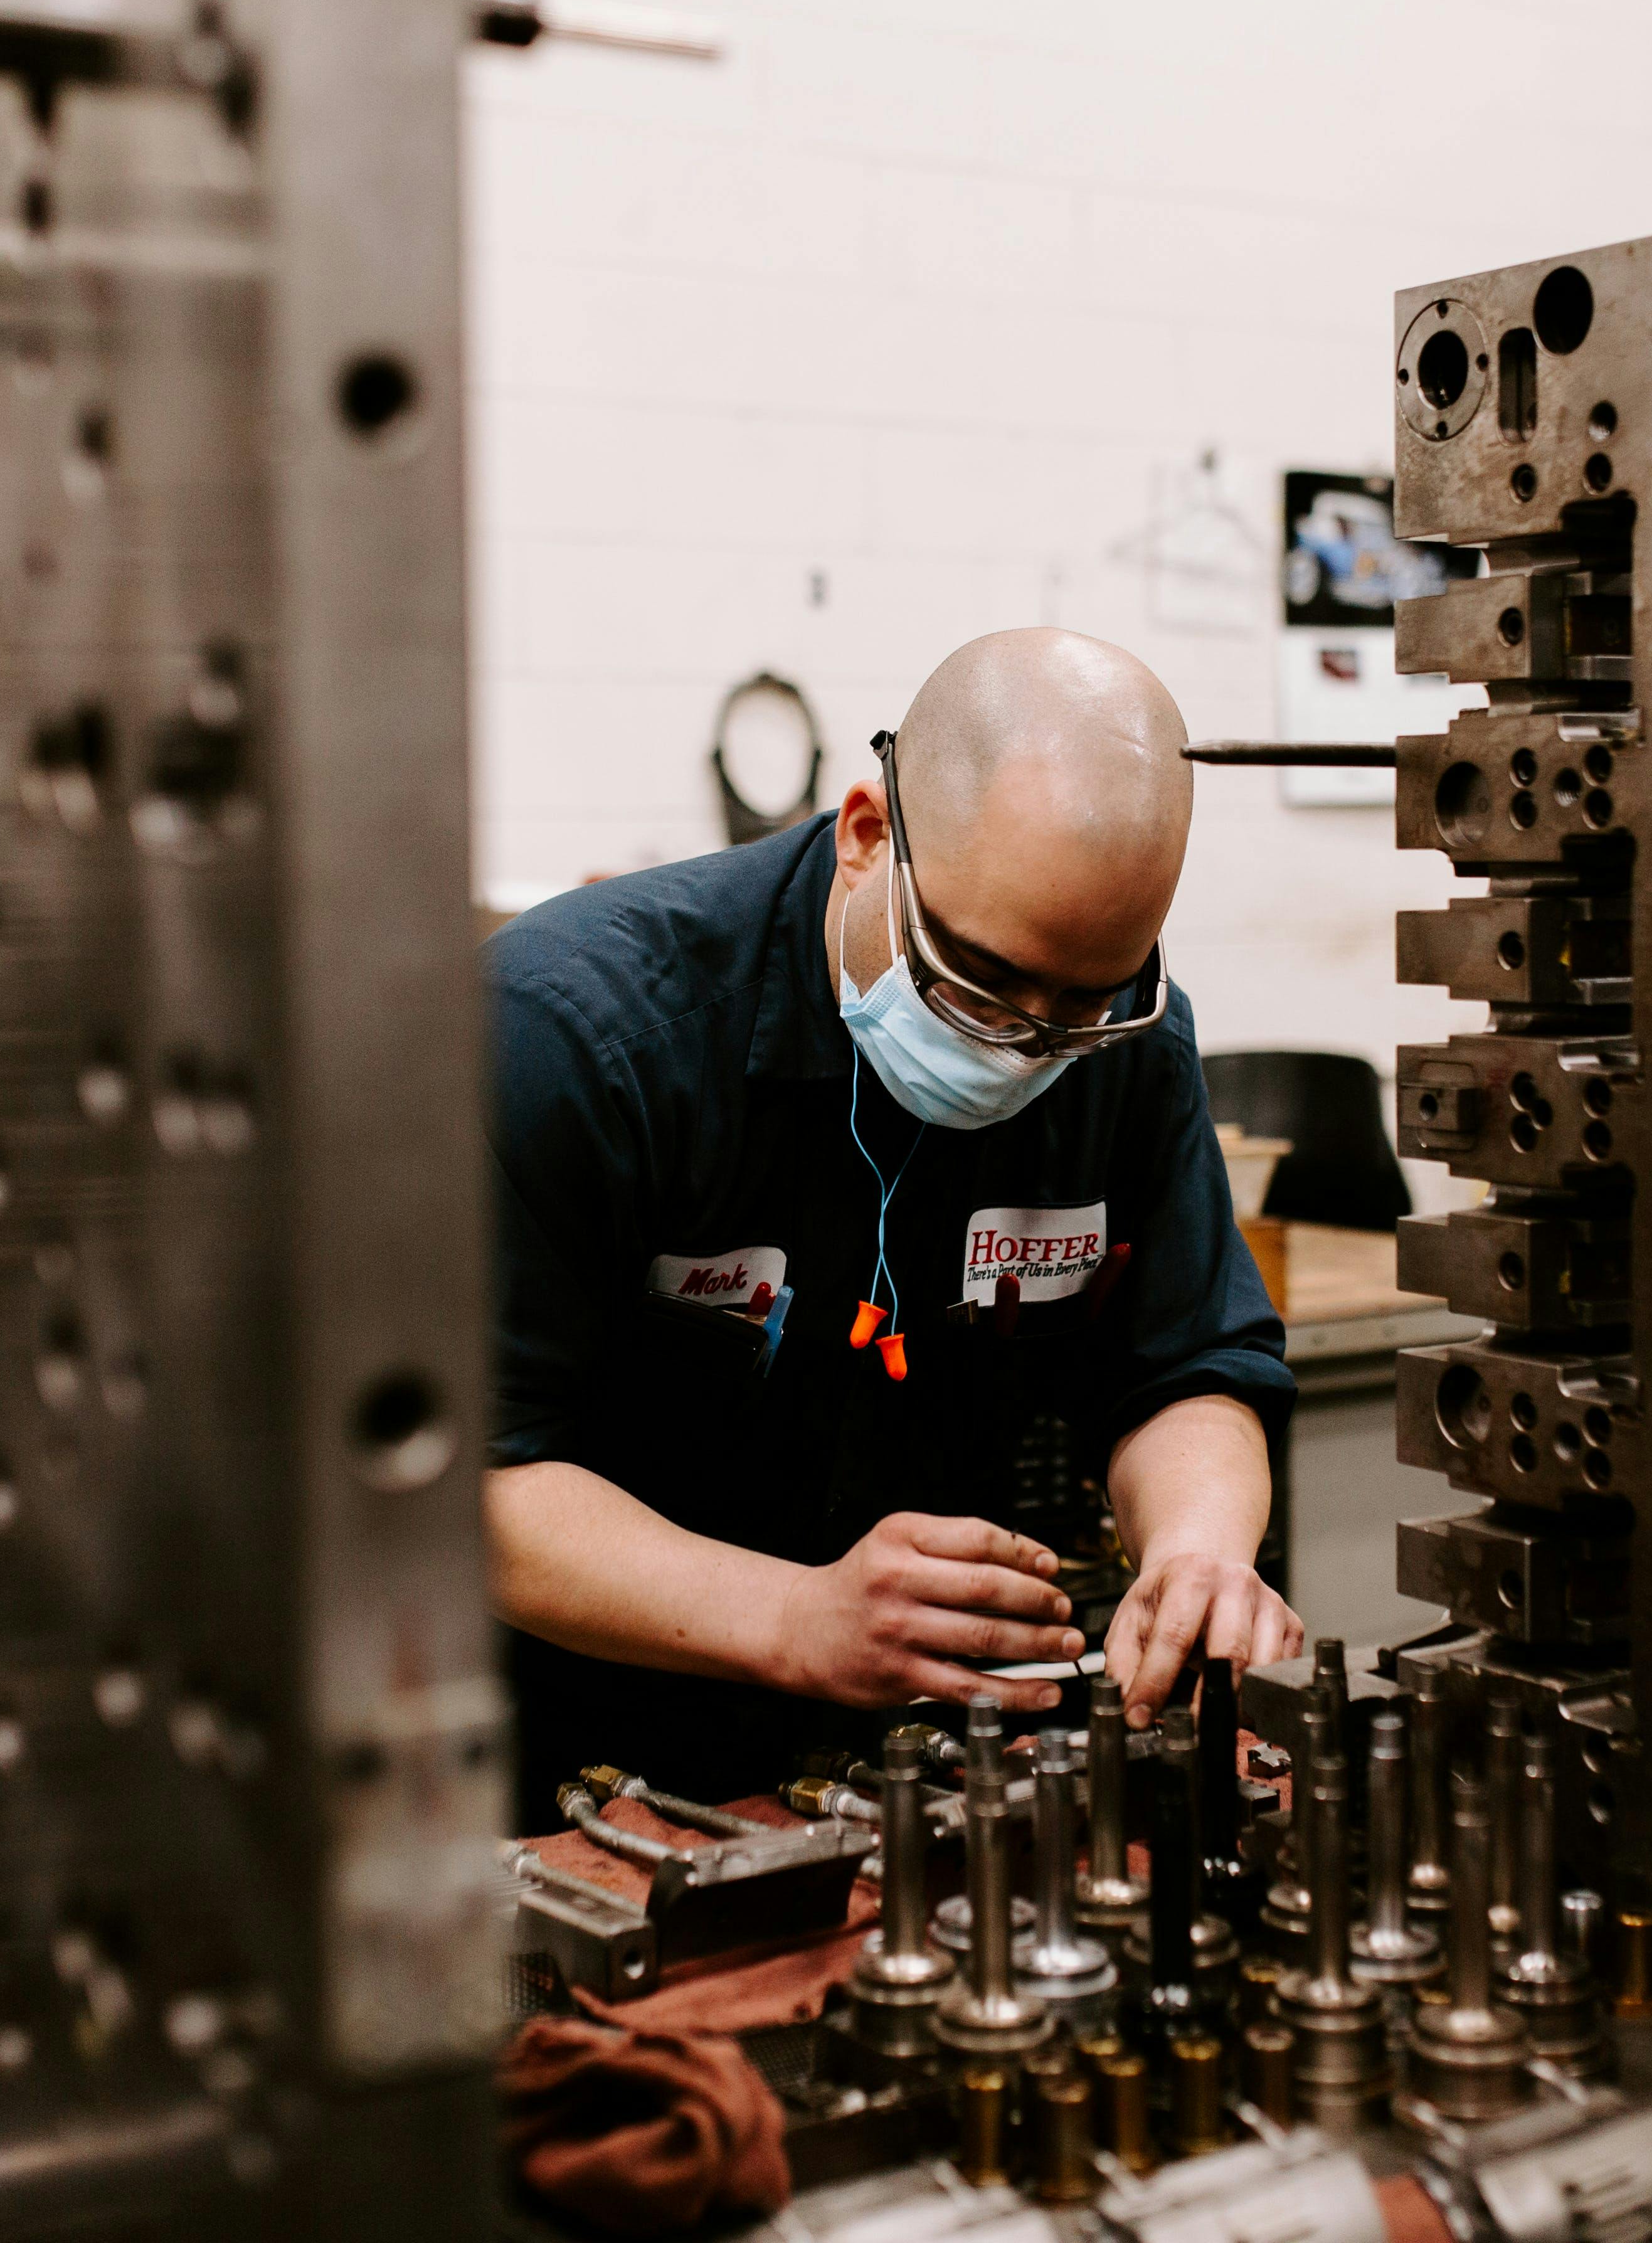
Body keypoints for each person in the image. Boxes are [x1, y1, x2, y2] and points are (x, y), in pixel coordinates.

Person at [485, 627, 1303, 1811]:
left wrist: (1198, 1553)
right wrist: (796, 1615)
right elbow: (472, 1476)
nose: (1031, 1045)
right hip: (576, 1768)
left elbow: (1183, 1365)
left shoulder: (1124, 1043)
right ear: (870, 837)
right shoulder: (571, 1039)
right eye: (980, 983)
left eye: (1085, 1004)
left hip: (922, 1765)